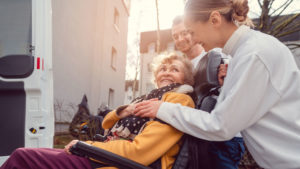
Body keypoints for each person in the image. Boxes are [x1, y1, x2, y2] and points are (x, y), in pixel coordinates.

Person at [134, 0, 300, 168]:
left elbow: (220, 125)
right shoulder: (244, 54)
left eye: (192, 31)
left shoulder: (254, 55)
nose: (195, 39)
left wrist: (163, 108)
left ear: (214, 20)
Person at [0, 54, 195, 169]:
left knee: (21, 157)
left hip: (117, 162)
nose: (167, 72)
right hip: (106, 154)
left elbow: (140, 151)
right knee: (30, 155)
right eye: (163, 68)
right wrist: (123, 111)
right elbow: (106, 124)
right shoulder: (148, 97)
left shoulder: (178, 100)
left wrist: (88, 147)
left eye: (174, 69)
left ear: (186, 79)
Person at [172, 15, 245, 169]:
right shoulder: (183, 67)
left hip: (222, 139)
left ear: (194, 31)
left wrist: (227, 80)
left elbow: (239, 90)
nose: (180, 39)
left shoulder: (217, 55)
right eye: (175, 36)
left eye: (184, 33)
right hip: (196, 136)